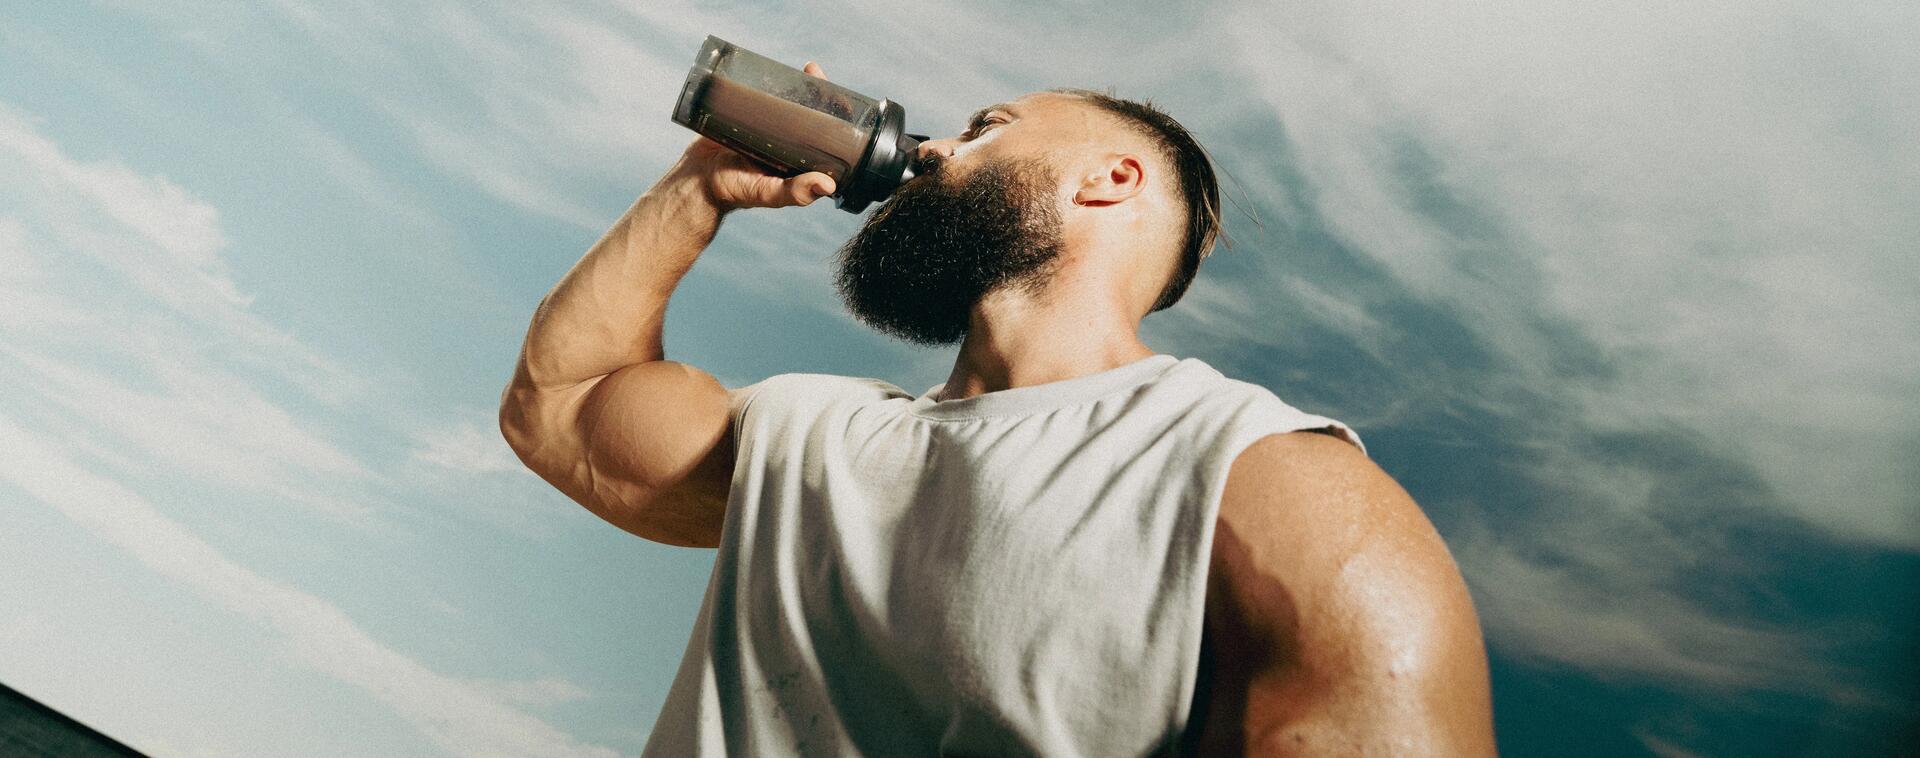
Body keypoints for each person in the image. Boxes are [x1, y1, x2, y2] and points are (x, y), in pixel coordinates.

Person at [500, 60, 1496, 756]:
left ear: (1111, 181)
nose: (931, 148)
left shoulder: (1268, 478)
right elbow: (562, 406)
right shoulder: (805, 430)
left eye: (988, 127)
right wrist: (696, 188)